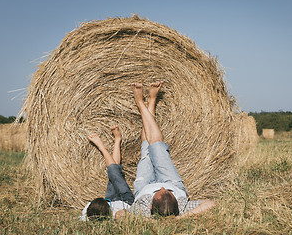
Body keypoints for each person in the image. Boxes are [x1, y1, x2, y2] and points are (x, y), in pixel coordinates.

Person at [116, 81, 216, 219]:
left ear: (150, 207)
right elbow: (211, 204)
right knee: (156, 145)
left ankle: (144, 103)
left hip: (143, 187)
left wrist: (146, 221)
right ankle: (146, 102)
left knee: (146, 146)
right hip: (171, 182)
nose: (162, 188)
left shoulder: (142, 211)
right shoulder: (182, 207)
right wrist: (180, 218)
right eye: (167, 192)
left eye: (160, 191)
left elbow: (119, 215)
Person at [79, 125, 134, 221]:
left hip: (110, 198)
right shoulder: (116, 215)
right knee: (113, 170)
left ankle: (117, 140)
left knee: (114, 171)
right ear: (110, 213)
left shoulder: (87, 214)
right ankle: (102, 146)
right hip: (125, 200)